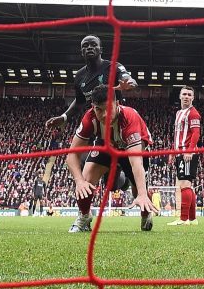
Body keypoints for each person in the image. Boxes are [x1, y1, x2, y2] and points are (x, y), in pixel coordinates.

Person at [65, 85, 159, 233]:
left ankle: (146, 214)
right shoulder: (89, 119)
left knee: (138, 190)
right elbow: (72, 155)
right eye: (99, 109)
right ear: (93, 107)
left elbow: (136, 162)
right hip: (106, 145)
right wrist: (79, 181)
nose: (104, 115)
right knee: (86, 179)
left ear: (117, 103)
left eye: (108, 108)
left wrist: (141, 194)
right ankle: (84, 216)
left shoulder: (129, 118)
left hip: (132, 149)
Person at [45, 35, 136, 130]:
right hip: (95, 124)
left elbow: (128, 79)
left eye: (93, 44)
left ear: (100, 50)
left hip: (118, 122)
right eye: (85, 45)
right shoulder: (79, 76)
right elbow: (79, 101)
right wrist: (64, 117)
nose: (89, 47)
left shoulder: (114, 67)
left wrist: (130, 84)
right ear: (82, 52)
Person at [168, 86, 201, 226]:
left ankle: (183, 219)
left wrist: (189, 150)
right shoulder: (178, 113)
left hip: (187, 152)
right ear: (180, 96)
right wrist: (172, 151)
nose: (187, 96)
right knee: (188, 185)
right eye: (184, 94)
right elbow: (176, 135)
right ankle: (192, 219)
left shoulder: (193, 113)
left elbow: (196, 133)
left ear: (193, 97)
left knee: (184, 184)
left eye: (189, 94)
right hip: (179, 152)